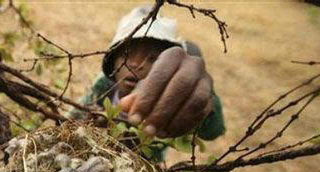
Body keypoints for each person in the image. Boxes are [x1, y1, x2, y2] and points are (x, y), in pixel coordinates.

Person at [75, 5, 225, 141]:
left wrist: (205, 100)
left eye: (152, 58)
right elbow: (72, 117)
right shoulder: (103, 85)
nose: (135, 64)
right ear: (112, 60)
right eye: (126, 54)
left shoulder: (170, 98)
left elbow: (213, 131)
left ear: (166, 67)